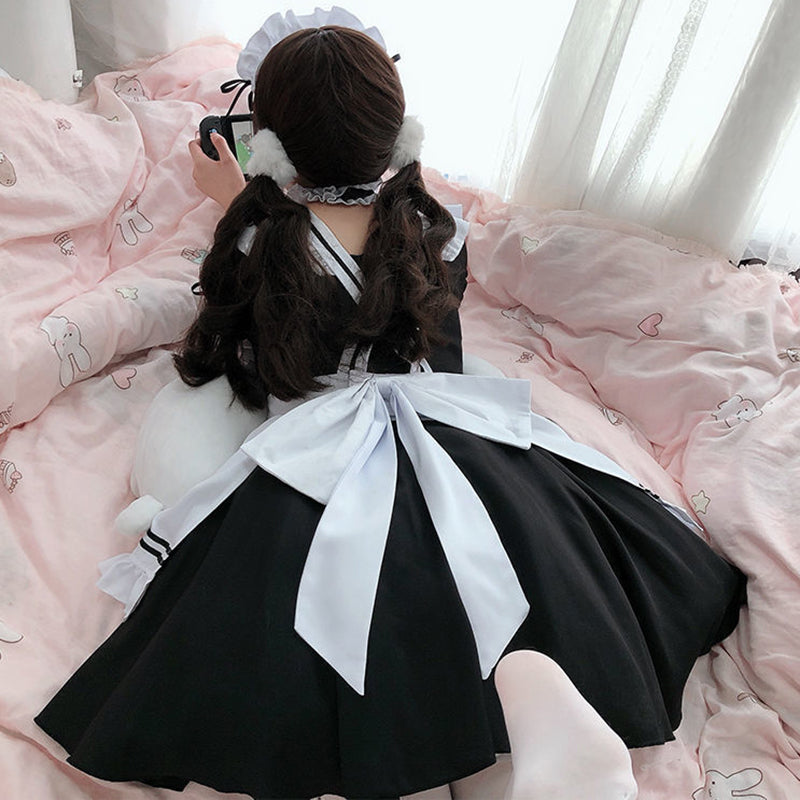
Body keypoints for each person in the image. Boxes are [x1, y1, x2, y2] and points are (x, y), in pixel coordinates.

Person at [35, 25, 745, 800]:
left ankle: (431, 767)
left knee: (344, 618)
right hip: (445, 427)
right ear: (395, 133)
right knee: (501, 570)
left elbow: (242, 352)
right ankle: (531, 759)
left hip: (322, 443)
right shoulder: (436, 231)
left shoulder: (258, 242)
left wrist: (239, 205)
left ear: (269, 144)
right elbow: (442, 351)